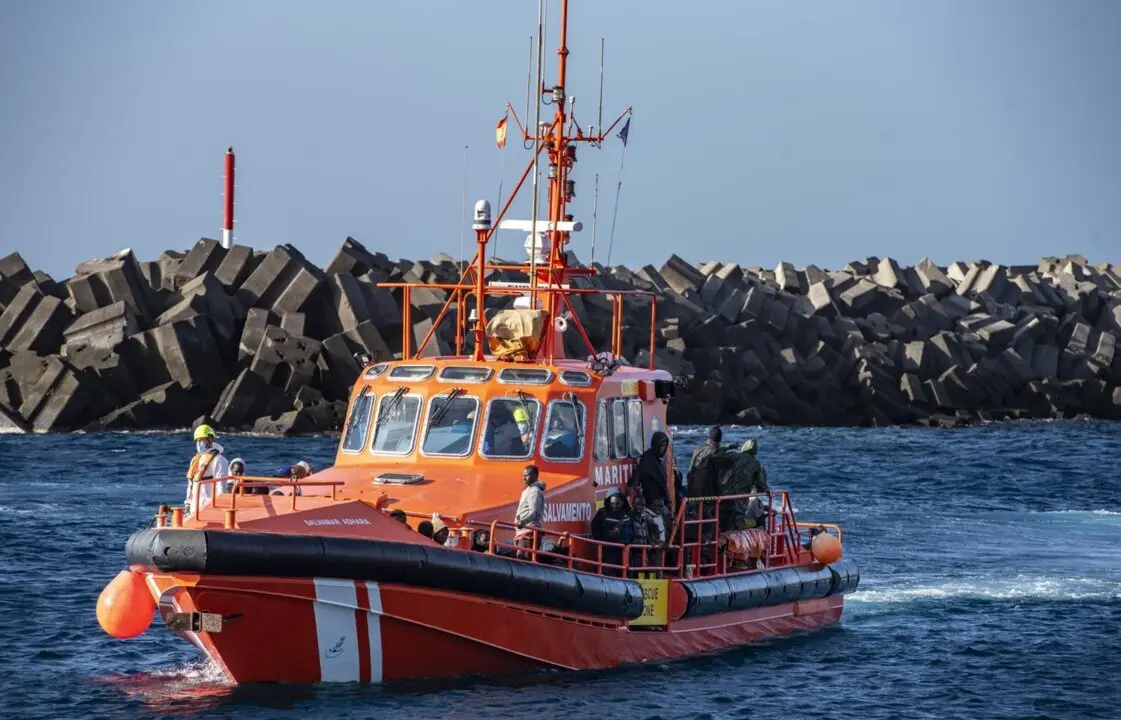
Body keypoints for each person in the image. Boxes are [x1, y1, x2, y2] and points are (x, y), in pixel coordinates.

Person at [629, 430, 672, 544]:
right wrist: (632, 486)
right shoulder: (648, 458)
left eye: (665, 446)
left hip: (660, 499)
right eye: (661, 445)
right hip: (651, 500)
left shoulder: (658, 460)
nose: (663, 448)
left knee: (669, 522)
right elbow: (639, 472)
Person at [718, 438, 770, 531]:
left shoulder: (733, 456)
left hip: (722, 498)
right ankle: (757, 522)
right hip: (739, 503)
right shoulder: (757, 465)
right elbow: (761, 487)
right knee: (738, 524)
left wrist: (729, 446)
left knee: (721, 522)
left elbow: (716, 454)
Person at [185, 424, 230, 515]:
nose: (198, 443)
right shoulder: (195, 460)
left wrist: (220, 509)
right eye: (197, 441)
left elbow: (221, 487)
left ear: (210, 439)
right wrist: (188, 505)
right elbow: (190, 485)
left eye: (201, 440)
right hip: (194, 508)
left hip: (209, 508)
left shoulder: (219, 461)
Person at [591, 488, 632, 576]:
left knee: (624, 574)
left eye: (617, 504)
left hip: (623, 551)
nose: (614, 506)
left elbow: (632, 529)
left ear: (623, 502)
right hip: (607, 550)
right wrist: (605, 537)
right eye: (612, 503)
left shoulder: (628, 514)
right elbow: (594, 527)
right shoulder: (602, 513)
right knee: (606, 572)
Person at [514, 465, 546, 558]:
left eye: (526, 475)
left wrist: (523, 522)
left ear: (535, 476)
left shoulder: (534, 491)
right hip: (522, 531)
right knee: (522, 556)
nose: (523, 478)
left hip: (528, 532)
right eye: (523, 475)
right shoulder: (527, 490)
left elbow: (533, 511)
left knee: (523, 557)